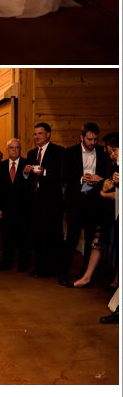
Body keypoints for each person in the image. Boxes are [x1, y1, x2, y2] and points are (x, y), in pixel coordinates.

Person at [60, 122, 110, 286]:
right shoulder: (70, 152)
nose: (93, 143)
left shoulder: (103, 153)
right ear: (81, 137)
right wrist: (81, 179)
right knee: (72, 237)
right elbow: (64, 176)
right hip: (76, 200)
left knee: (90, 239)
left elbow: (108, 175)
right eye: (89, 139)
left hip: (94, 201)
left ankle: (85, 275)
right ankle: (64, 274)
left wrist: (99, 179)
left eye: (95, 139)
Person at [25, 121, 65, 279]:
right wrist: (26, 172)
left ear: (48, 134)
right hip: (35, 200)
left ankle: (53, 267)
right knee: (37, 234)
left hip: (52, 200)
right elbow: (28, 180)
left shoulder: (59, 151)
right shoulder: (31, 153)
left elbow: (62, 175)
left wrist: (45, 172)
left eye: (40, 133)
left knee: (52, 234)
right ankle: (39, 266)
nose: (37, 137)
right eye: (35, 134)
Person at [0, 137, 31, 272]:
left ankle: (24, 264)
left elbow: (31, 185)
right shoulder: (1, 166)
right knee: (7, 236)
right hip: (6, 208)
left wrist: (27, 175)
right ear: (7, 150)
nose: (14, 150)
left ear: (20, 150)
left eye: (17, 148)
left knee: (23, 237)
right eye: (12, 148)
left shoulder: (27, 164)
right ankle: (6, 263)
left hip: (23, 207)